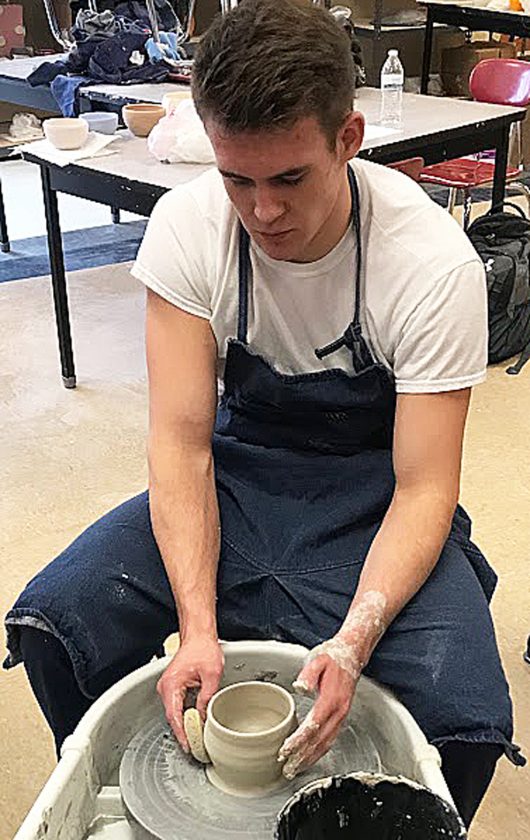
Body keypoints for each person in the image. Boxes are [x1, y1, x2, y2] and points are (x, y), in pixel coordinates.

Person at [4, 0, 524, 827]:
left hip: (373, 498)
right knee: (57, 622)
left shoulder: (430, 264)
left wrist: (353, 640)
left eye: (289, 178)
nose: (263, 211)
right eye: (236, 179)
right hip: (239, 478)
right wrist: (196, 627)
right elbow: (181, 447)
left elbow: (426, 487)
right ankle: (143, 802)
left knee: (465, 714)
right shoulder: (189, 228)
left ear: (348, 139)